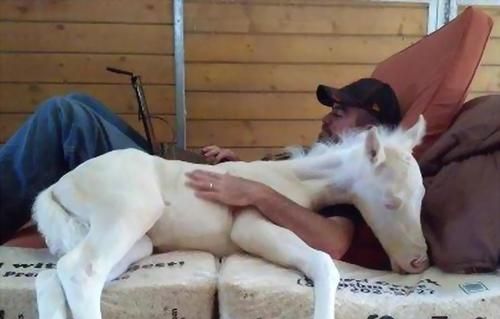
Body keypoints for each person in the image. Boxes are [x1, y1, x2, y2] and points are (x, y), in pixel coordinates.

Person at [0, 79, 402, 264]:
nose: (327, 120)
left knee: (64, 117)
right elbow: (260, 180)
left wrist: (255, 192)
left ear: (368, 131)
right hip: (184, 176)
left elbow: (332, 242)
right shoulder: (313, 158)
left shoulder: (348, 186)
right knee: (80, 102)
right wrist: (236, 162)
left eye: (339, 113)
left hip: (172, 193)